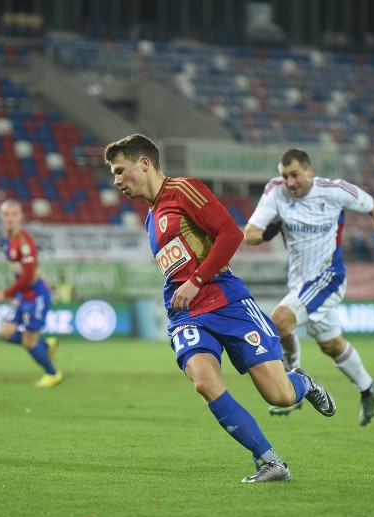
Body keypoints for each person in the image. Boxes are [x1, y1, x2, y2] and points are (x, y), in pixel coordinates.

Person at [105, 134, 336, 484]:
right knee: (203, 381)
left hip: (226, 301)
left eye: (121, 170)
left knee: (280, 395)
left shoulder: (184, 190)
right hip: (185, 313)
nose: (117, 180)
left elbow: (230, 233)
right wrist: (185, 287)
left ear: (145, 163)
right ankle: (270, 461)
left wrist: (196, 279)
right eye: (114, 173)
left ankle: (301, 381)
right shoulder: (151, 219)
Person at [244, 148, 374, 426]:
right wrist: (267, 233)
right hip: (299, 284)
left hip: (328, 277)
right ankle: (369, 388)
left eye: (295, 175)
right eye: (285, 176)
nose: (290, 182)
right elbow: (250, 235)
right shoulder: (276, 191)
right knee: (331, 345)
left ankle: (291, 386)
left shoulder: (335, 191)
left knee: (279, 321)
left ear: (309, 171)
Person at [0, 200, 62, 388]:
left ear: (21, 217)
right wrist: (15, 293)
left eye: (14, 214)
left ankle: (53, 373)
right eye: (6, 214)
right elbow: (20, 270)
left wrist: (5, 293)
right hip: (22, 296)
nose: (9, 218)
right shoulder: (6, 238)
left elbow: (28, 275)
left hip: (36, 297)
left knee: (29, 342)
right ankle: (44, 346)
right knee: (5, 333)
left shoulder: (24, 241)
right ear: (1, 217)